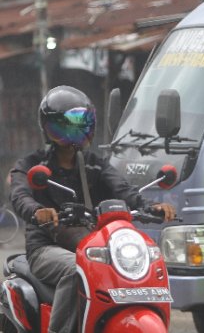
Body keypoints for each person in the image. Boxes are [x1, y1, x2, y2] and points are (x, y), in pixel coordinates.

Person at [10, 86, 176, 333]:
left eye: (82, 122)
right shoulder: (32, 164)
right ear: (50, 126)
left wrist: (150, 207)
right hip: (46, 246)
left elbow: (123, 189)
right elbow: (20, 194)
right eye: (69, 123)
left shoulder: (95, 165)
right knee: (74, 270)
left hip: (93, 244)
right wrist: (37, 211)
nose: (77, 129)